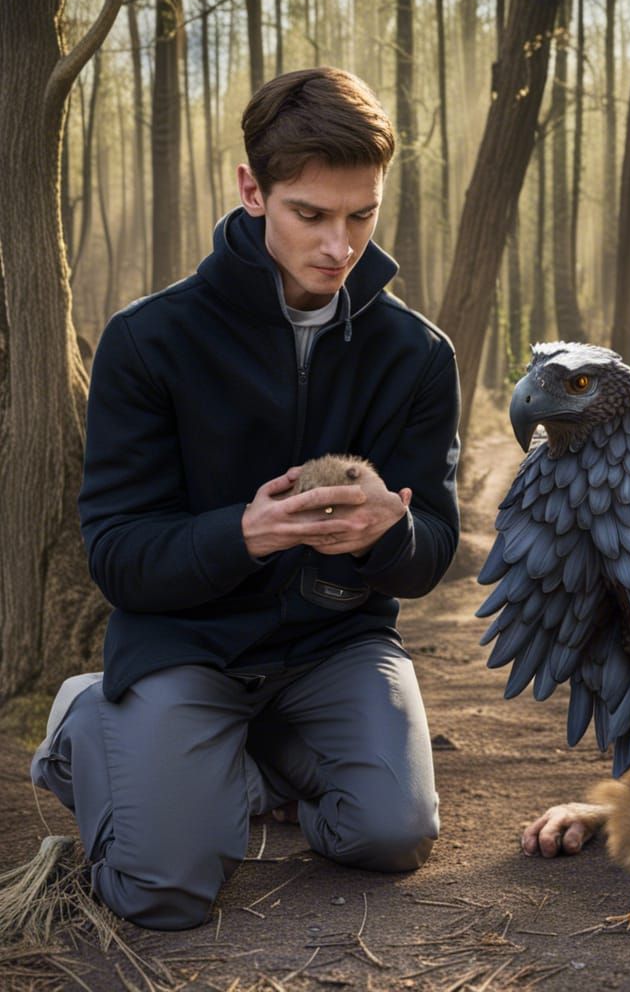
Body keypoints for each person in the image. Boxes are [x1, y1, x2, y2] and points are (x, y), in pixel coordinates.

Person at [30, 67, 461, 931]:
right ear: (251, 190)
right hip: (186, 644)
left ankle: (227, 762)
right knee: (162, 892)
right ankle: (92, 717)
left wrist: (391, 535)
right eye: (311, 214)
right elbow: (117, 555)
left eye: (361, 215)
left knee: (393, 833)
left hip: (337, 644)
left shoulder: (416, 354)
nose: (340, 246)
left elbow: (432, 551)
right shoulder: (149, 341)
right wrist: (247, 534)